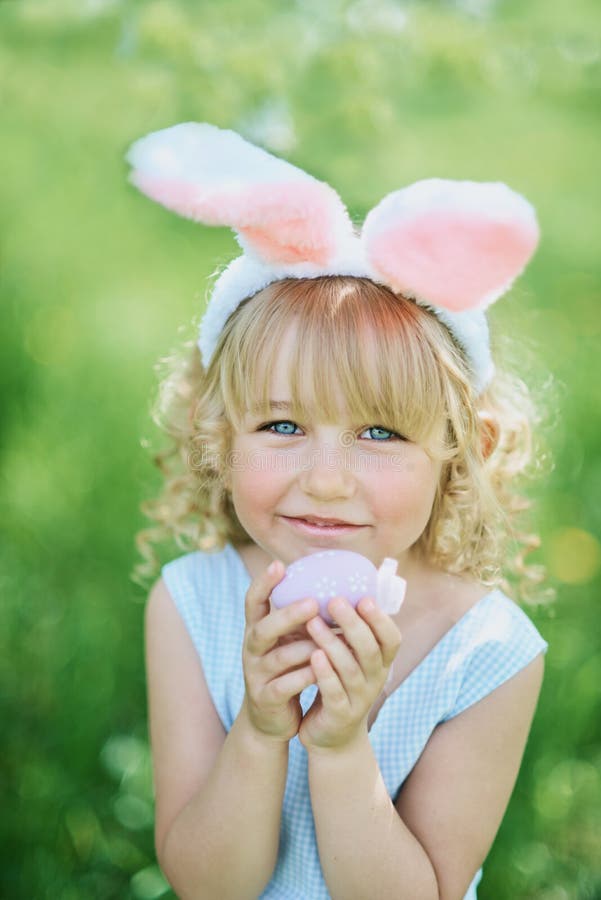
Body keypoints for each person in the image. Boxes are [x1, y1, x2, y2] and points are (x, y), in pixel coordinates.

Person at [128, 123, 551, 900]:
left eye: (380, 432)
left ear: (462, 448)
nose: (325, 482)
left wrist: (338, 745)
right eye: (281, 426)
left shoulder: (487, 651)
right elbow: (205, 885)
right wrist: (260, 730)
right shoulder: (193, 604)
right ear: (218, 435)